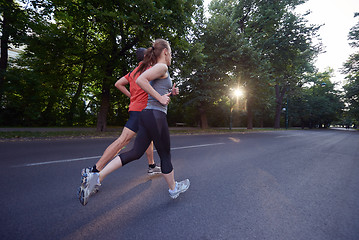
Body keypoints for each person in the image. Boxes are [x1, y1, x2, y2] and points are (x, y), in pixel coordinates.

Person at [79, 39, 190, 205]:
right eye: (171, 53)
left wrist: (169, 93)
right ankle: (173, 189)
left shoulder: (153, 68)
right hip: (155, 116)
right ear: (165, 52)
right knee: (165, 154)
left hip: (146, 114)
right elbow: (141, 82)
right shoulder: (162, 67)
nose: (171, 57)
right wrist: (161, 97)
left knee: (136, 152)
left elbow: (152, 93)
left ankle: (96, 177)